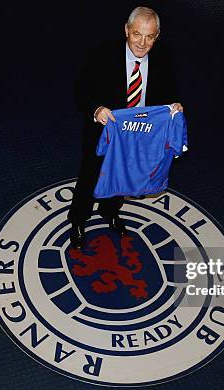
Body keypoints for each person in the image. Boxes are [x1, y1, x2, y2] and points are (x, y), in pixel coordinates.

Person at [68, 6, 184, 249]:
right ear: (126, 30)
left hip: (140, 135)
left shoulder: (165, 57)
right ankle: (78, 220)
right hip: (104, 130)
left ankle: (110, 211)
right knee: (90, 176)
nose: (142, 43)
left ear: (157, 36)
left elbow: (170, 90)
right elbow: (82, 90)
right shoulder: (103, 55)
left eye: (149, 36)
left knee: (125, 175)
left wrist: (174, 106)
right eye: (136, 34)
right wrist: (97, 110)